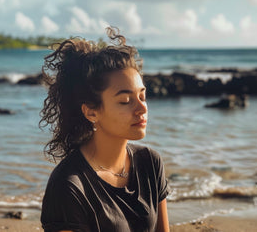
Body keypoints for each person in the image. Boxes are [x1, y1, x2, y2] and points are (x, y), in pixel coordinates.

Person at [39, 27, 171, 232]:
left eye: (142, 96)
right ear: (91, 112)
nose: (142, 108)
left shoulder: (150, 163)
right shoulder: (69, 186)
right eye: (126, 101)